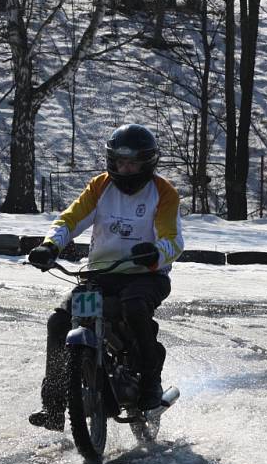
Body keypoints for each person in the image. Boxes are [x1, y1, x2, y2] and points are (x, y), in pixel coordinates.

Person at [27, 123, 184, 431]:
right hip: (99, 273)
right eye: (120, 162)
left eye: (133, 163)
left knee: (135, 307)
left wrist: (155, 252)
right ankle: (54, 406)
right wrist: (50, 245)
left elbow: (174, 239)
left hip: (147, 275)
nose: (126, 169)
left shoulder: (163, 192)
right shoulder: (100, 186)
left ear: (147, 162)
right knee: (59, 322)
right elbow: (70, 219)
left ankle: (151, 386)